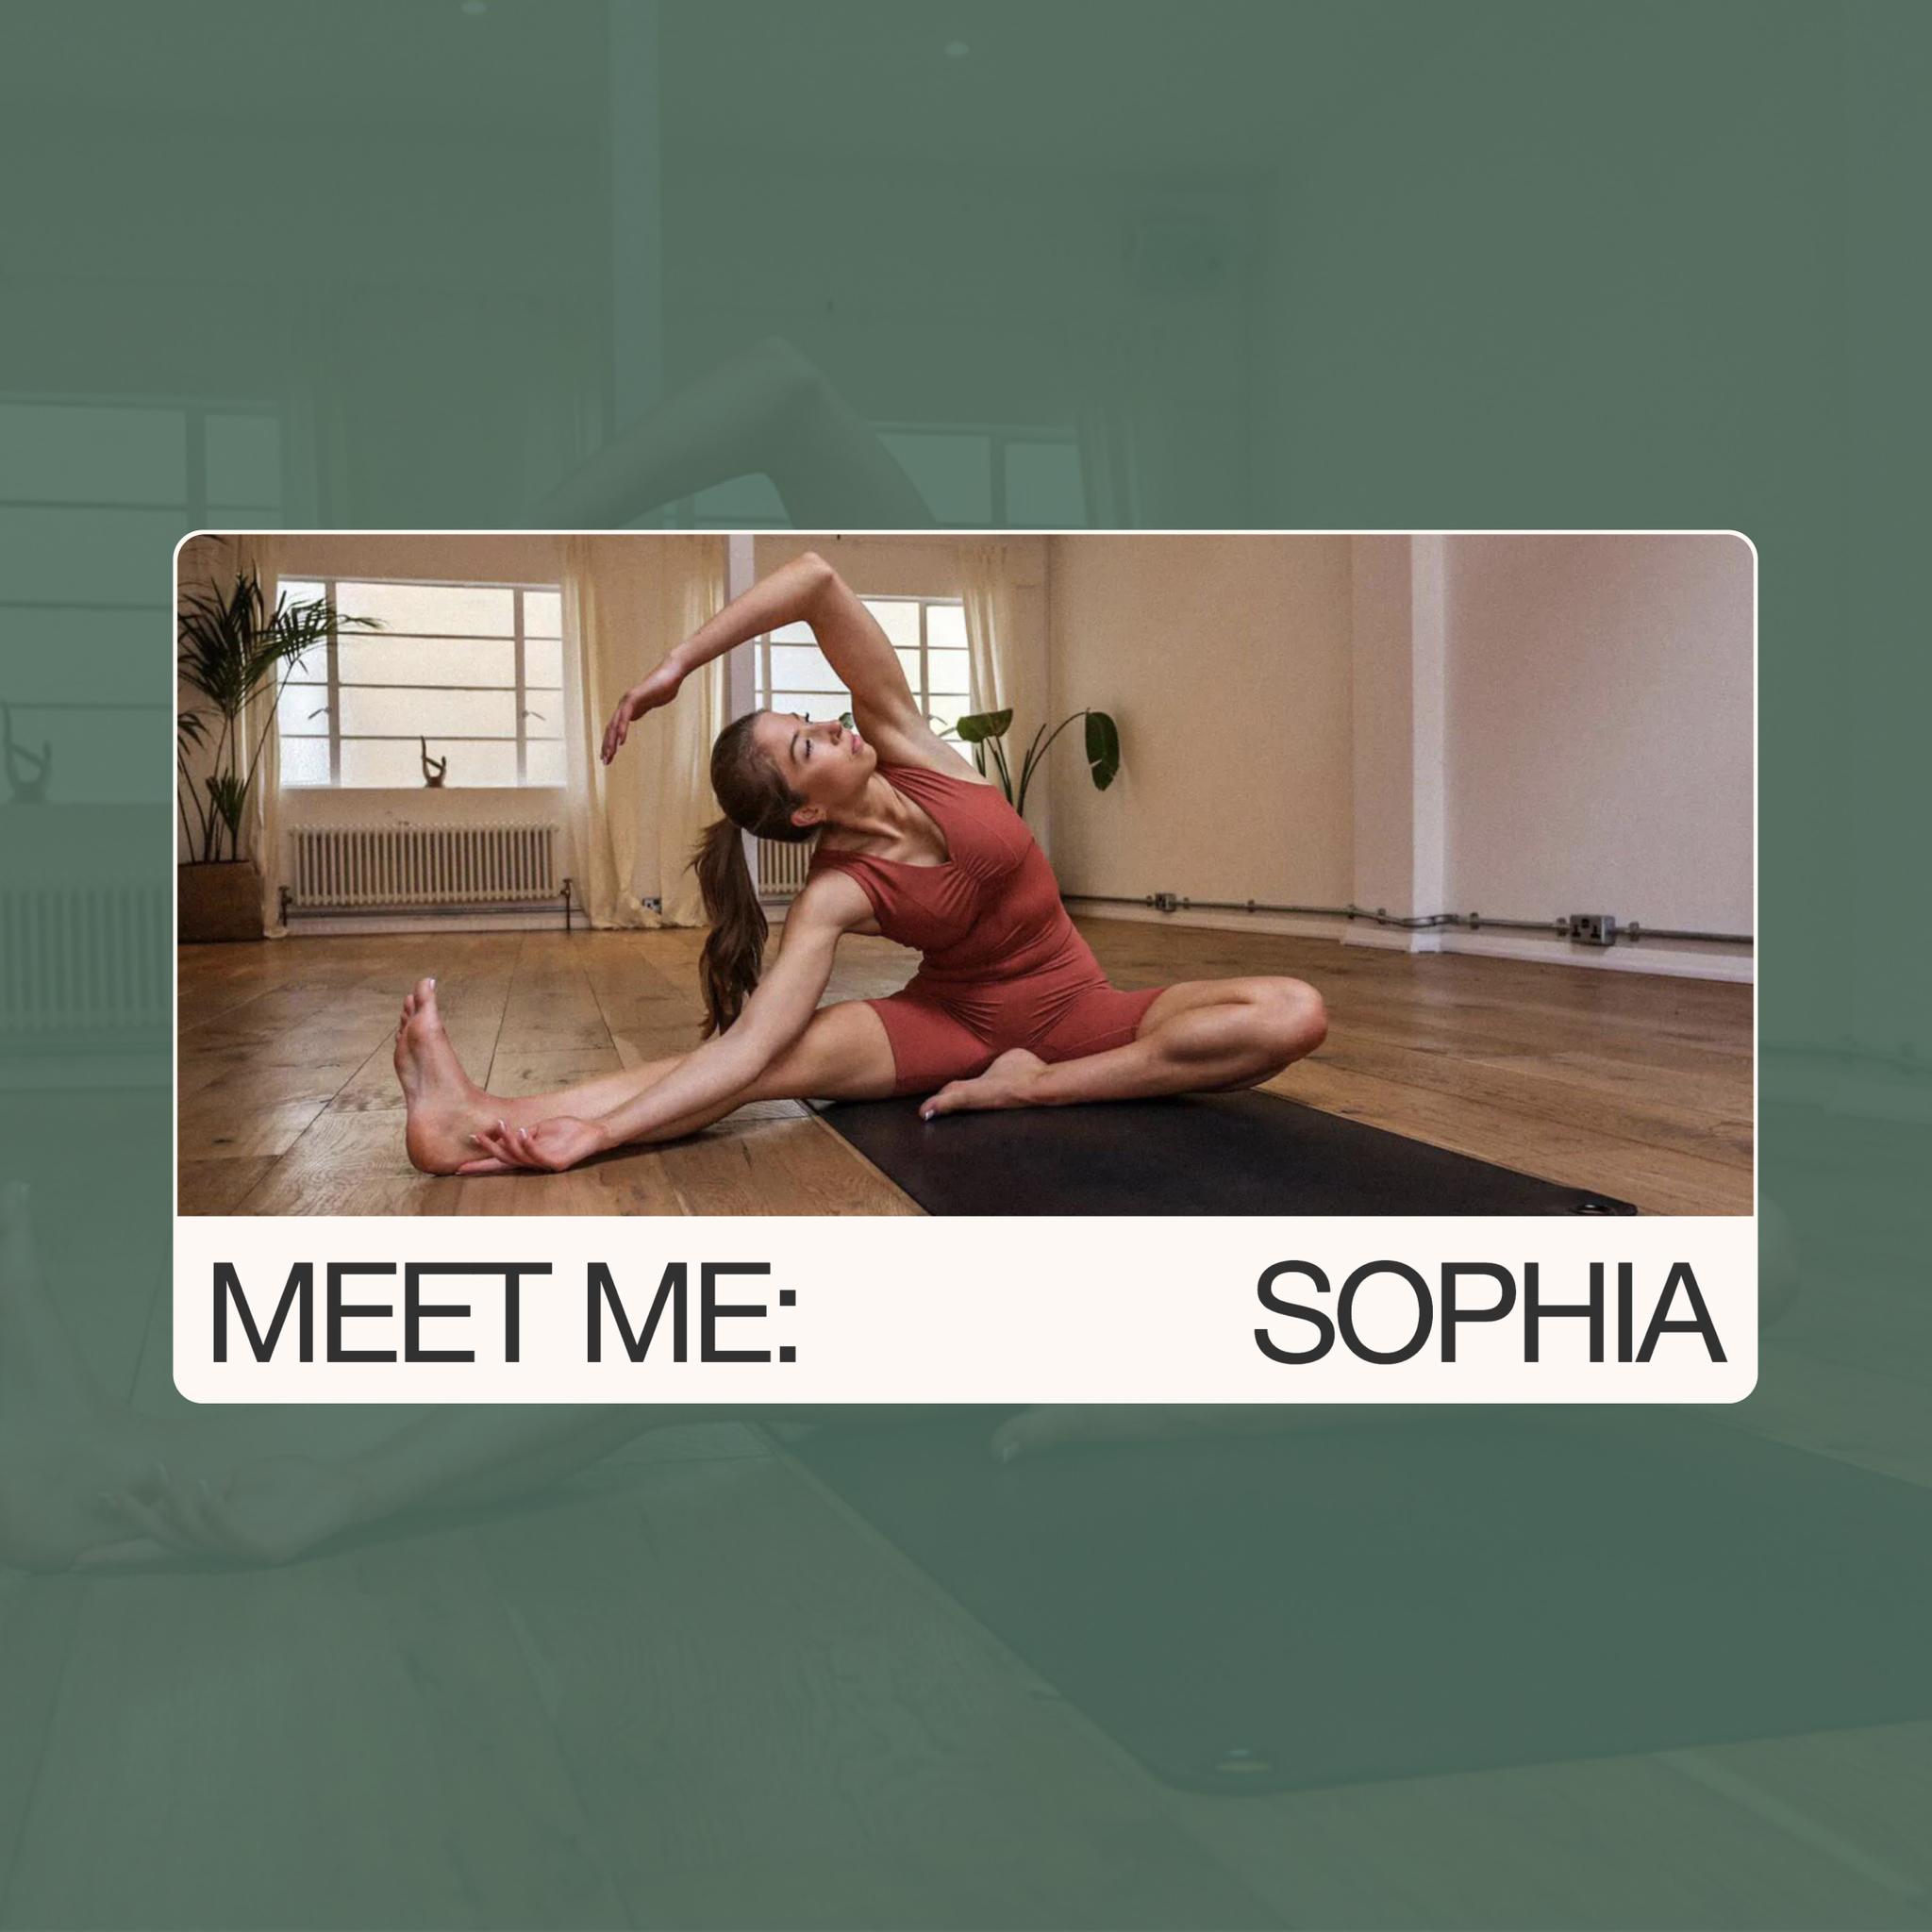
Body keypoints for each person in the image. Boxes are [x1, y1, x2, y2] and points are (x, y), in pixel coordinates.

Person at [392, 549, 1328, 1175]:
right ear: (808, 807)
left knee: (1293, 1013)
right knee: (750, 1066)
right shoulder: (837, 890)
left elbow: (812, 579)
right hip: (951, 1025)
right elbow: (751, 1048)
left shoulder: (905, 740)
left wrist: (680, 661)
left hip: (1084, 1006)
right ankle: (472, 1113)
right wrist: (599, 1135)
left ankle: (1036, 1086)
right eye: (808, 744)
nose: (832, 724)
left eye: (808, 719)